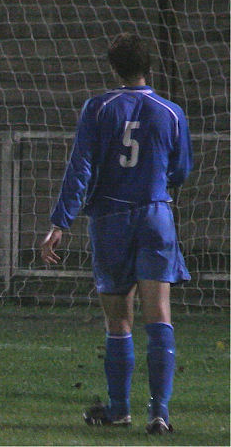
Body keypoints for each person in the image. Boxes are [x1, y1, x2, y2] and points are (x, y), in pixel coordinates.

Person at [40, 32, 192, 435]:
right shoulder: (171, 111)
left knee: (118, 319)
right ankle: (159, 412)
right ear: (149, 67)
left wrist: (60, 221)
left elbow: (81, 168)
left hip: (110, 217)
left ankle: (120, 409)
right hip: (156, 216)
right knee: (158, 314)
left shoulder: (99, 107)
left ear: (112, 67)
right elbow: (181, 171)